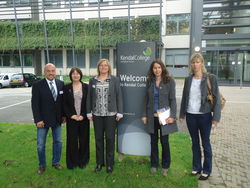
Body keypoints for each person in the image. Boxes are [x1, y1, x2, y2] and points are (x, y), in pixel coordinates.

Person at [179, 53, 221, 180]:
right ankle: (196, 167)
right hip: (191, 115)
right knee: (194, 143)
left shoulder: (210, 78)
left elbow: (217, 98)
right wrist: (182, 114)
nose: (195, 65)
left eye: (197, 62)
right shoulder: (188, 79)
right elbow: (184, 98)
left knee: (206, 143)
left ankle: (207, 170)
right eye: (193, 62)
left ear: (202, 63)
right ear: (191, 65)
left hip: (205, 115)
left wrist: (216, 117)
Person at [141, 59, 178, 176]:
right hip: (152, 117)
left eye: (159, 67)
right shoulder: (149, 81)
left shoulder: (169, 81)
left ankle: (166, 165)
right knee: (153, 142)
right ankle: (154, 164)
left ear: (162, 68)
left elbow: (173, 100)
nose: (157, 70)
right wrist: (144, 115)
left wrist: (173, 116)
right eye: (154, 68)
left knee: (164, 142)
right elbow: (145, 99)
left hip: (164, 117)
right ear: (152, 70)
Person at [87, 59, 123, 173]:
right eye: (101, 65)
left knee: (110, 139)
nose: (103, 67)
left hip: (111, 115)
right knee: (98, 139)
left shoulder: (115, 80)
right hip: (97, 114)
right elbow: (89, 97)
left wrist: (120, 112)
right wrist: (89, 112)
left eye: (106, 65)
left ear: (109, 67)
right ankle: (99, 163)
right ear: (98, 67)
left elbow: (119, 96)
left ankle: (109, 164)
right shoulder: (92, 80)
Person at [31, 63, 65, 174]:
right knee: (40, 145)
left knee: (58, 142)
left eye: (53, 71)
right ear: (44, 72)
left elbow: (62, 103)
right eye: (48, 71)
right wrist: (38, 120)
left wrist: (64, 116)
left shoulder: (61, 84)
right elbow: (35, 104)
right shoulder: (37, 85)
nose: (51, 73)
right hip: (43, 121)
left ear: (55, 72)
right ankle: (42, 165)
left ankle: (56, 162)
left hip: (57, 120)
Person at [63, 67, 90, 169]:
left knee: (84, 140)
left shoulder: (86, 87)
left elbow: (89, 103)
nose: (75, 75)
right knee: (72, 140)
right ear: (70, 75)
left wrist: (83, 114)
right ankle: (72, 162)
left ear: (80, 75)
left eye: (77, 73)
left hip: (83, 118)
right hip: (72, 119)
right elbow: (64, 104)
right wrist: (71, 115)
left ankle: (83, 161)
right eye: (73, 73)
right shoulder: (66, 88)